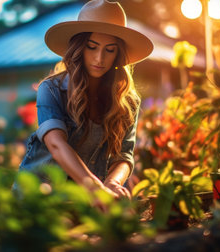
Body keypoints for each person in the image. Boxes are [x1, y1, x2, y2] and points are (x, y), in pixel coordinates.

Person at [19, 0, 153, 198]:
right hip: (38, 197)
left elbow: (124, 155)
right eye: (92, 47)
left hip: (87, 202)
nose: (100, 58)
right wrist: (95, 188)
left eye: (109, 50)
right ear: (79, 47)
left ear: (118, 54)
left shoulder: (127, 101)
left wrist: (113, 183)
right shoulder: (51, 89)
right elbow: (56, 144)